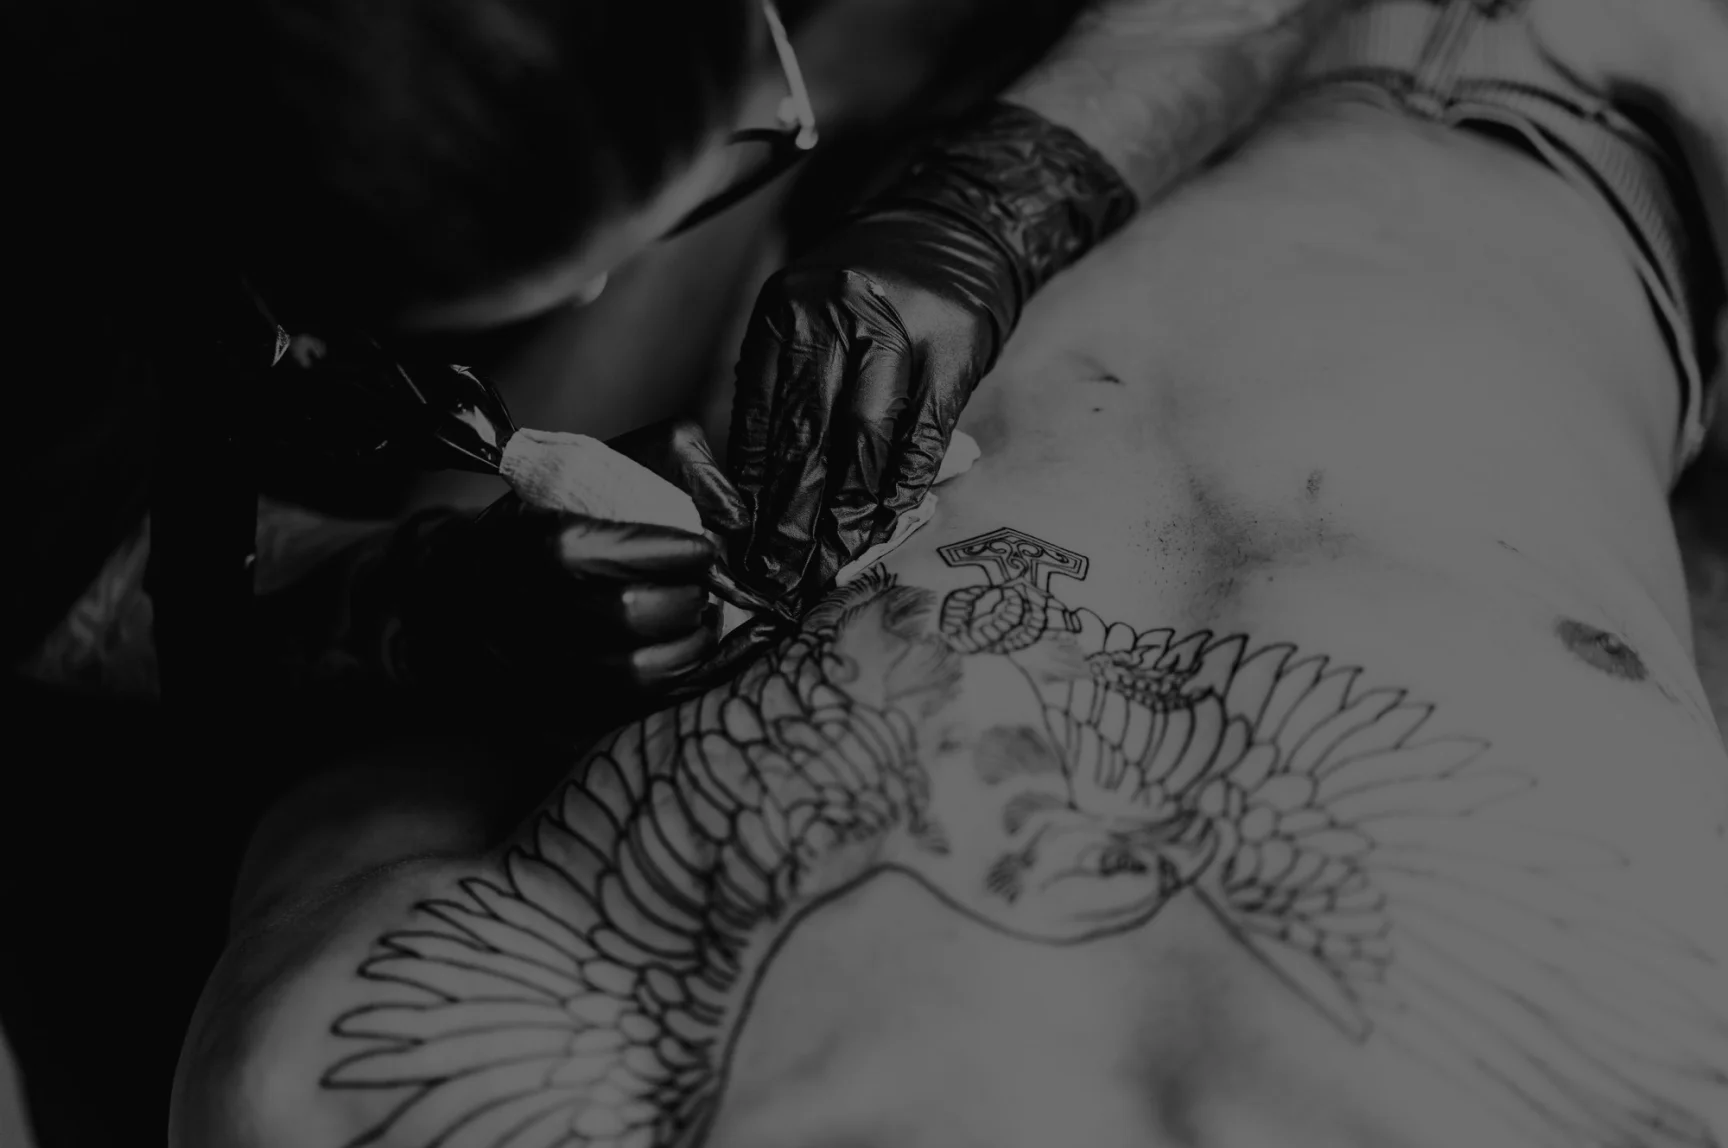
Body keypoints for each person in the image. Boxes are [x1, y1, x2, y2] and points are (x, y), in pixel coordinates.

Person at [167, 0, 1728, 1145]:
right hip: (1598, 142)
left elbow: (348, 689)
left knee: (605, 156)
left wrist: (443, 606)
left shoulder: (401, 1103)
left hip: (886, 122)